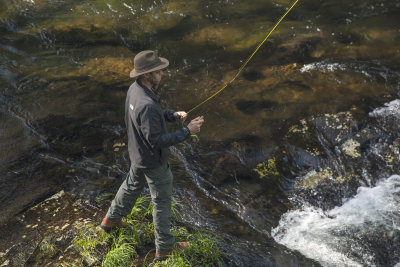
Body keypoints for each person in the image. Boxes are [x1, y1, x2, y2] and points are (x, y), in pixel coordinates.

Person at [100, 50, 204, 261]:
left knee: (131, 185)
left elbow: (149, 118)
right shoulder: (146, 104)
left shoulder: (135, 90)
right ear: (147, 74)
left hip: (137, 154)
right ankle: (165, 247)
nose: (163, 74)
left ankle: (111, 219)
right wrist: (187, 131)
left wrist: (172, 115)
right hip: (153, 161)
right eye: (159, 71)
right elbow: (156, 140)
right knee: (162, 201)